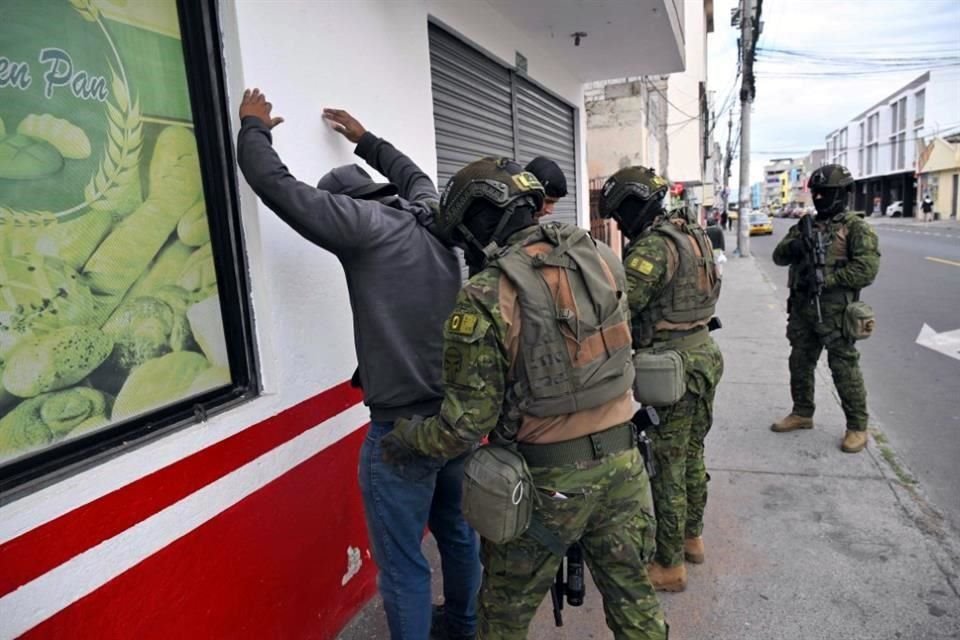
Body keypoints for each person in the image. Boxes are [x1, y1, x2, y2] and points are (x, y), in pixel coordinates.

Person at [380, 157, 668, 639]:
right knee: (635, 605)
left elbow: (464, 427)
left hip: (545, 485)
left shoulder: (485, 293)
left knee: (503, 620)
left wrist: (407, 439)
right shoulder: (601, 258)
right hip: (625, 468)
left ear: (481, 218)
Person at [235, 89, 480, 640]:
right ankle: (464, 628)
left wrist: (253, 129)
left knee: (402, 565)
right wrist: (365, 139)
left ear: (347, 207)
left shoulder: (364, 229)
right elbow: (413, 173)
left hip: (402, 432)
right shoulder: (430, 215)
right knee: (459, 535)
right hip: (457, 420)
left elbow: (278, 188)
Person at [598, 166, 724, 593]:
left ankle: (669, 564)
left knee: (666, 466)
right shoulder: (694, 235)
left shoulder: (653, 248)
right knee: (692, 454)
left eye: (619, 214)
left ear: (635, 205)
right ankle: (692, 538)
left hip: (673, 369)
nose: (618, 223)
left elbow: (620, 309)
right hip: (703, 355)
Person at [771, 164, 880, 454]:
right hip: (803, 309)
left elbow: (867, 269)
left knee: (844, 368)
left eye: (826, 193)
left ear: (842, 194)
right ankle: (802, 413)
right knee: (800, 362)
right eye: (816, 192)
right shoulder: (804, 226)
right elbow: (779, 257)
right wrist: (797, 247)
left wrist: (829, 279)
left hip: (836, 313)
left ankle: (857, 426)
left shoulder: (856, 228)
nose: (819, 198)